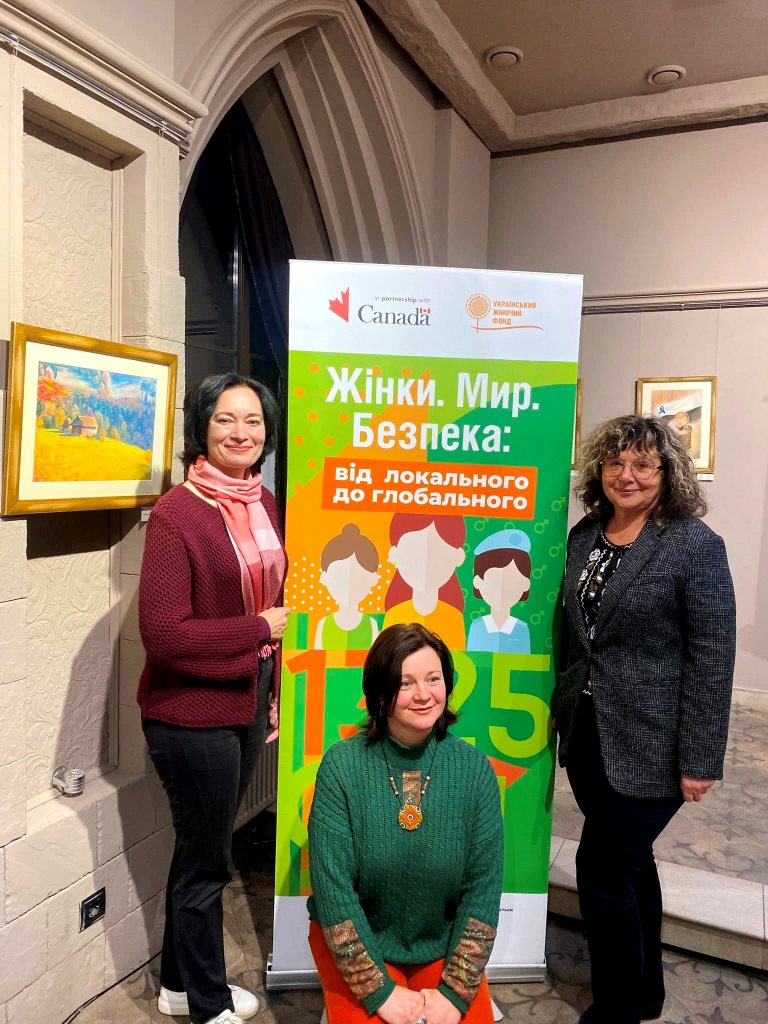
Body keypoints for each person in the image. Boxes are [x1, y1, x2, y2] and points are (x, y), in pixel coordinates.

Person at [553, 415, 736, 1024]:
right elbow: (576, 636)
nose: (626, 475)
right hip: (589, 735)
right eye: (615, 463)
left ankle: (618, 1008)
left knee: (602, 874)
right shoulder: (585, 534)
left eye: (642, 465)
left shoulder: (693, 544)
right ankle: (647, 991)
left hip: (655, 743)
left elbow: (712, 657)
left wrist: (700, 759)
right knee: (632, 868)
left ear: (667, 473)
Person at [138, 373, 290, 1024]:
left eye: (253, 420)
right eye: (225, 419)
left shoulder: (264, 501)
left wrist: (273, 676)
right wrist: (258, 629)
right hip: (189, 714)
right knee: (208, 866)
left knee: (198, 850)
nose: (240, 432)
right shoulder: (178, 514)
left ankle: (177, 986)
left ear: (267, 432)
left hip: (246, 700)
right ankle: (207, 1004)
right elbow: (164, 634)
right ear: (201, 427)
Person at [307, 623, 503, 1024]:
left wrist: (455, 992)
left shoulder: (474, 769)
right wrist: (378, 991)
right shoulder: (341, 766)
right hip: (358, 943)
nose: (424, 694)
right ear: (381, 693)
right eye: (406, 682)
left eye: (433, 679)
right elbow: (333, 893)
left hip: (441, 944)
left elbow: (483, 889)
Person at [383, 514, 467, 649]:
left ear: (456, 557)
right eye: (413, 553)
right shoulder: (394, 614)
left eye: (439, 555)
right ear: (396, 554)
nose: (425, 563)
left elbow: (457, 654)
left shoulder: (453, 617)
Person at [314, 523, 380, 650]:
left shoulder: (371, 625)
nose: (349, 582)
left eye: (358, 577)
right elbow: (317, 657)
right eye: (339, 576)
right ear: (326, 577)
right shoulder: (324, 624)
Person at [467, 528, 532, 654]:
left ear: (525, 584)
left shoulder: (521, 629)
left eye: (512, 580)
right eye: (493, 580)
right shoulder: (477, 626)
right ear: (478, 581)